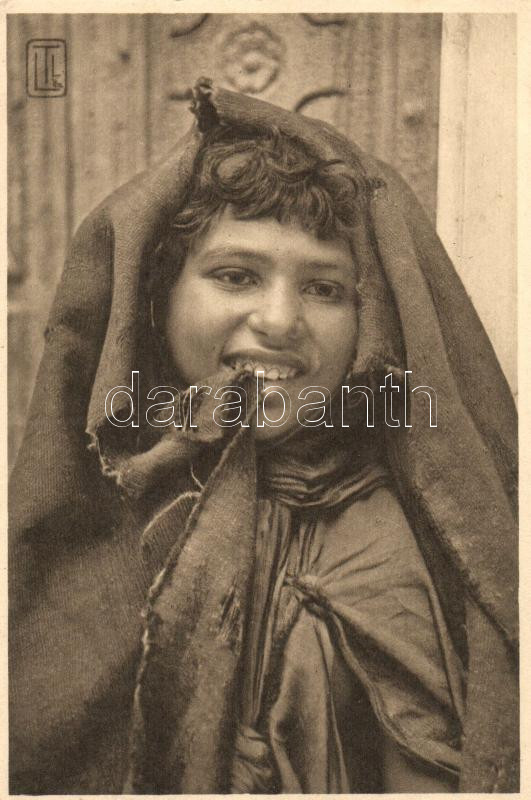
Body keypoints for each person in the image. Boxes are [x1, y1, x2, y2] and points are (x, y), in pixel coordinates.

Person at [9, 78, 518, 793]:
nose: (279, 321)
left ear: (369, 324)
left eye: (324, 289)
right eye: (236, 275)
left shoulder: (388, 544)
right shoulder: (95, 516)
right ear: (158, 299)